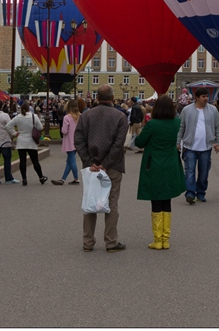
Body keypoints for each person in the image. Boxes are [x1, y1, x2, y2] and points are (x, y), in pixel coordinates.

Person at [74, 85, 129, 253]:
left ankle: (88, 242)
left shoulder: (86, 116)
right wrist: (105, 163)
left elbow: (79, 140)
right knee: (112, 203)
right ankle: (111, 242)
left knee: (91, 202)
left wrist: (90, 161)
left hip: (91, 167)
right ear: (113, 98)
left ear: (97, 98)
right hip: (113, 166)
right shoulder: (120, 117)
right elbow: (118, 144)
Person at [135, 95, 186, 249]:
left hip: (154, 163)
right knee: (167, 199)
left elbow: (139, 142)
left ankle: (157, 239)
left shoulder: (152, 124)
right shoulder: (177, 122)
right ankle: (166, 238)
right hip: (171, 163)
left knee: (156, 198)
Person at [177, 87, 219, 204]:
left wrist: (218, 142)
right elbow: (181, 127)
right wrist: (178, 142)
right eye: (203, 97)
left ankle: (201, 193)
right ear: (196, 97)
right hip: (190, 146)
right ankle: (190, 194)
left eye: (207, 96)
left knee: (204, 173)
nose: (206, 99)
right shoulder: (187, 110)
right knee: (190, 171)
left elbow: (218, 126)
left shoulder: (213, 110)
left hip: (206, 147)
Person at [6, 102, 47, 186]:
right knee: (35, 161)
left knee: (22, 161)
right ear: (29, 108)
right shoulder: (33, 116)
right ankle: (41, 177)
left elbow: (7, 126)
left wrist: (14, 133)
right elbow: (40, 128)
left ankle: (24, 179)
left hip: (21, 140)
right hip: (31, 140)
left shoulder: (17, 117)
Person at [52, 99, 81, 185]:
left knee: (72, 160)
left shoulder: (67, 117)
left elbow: (64, 131)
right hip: (77, 141)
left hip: (69, 141)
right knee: (69, 161)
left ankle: (76, 178)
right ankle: (63, 179)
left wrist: (62, 129)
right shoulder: (80, 116)